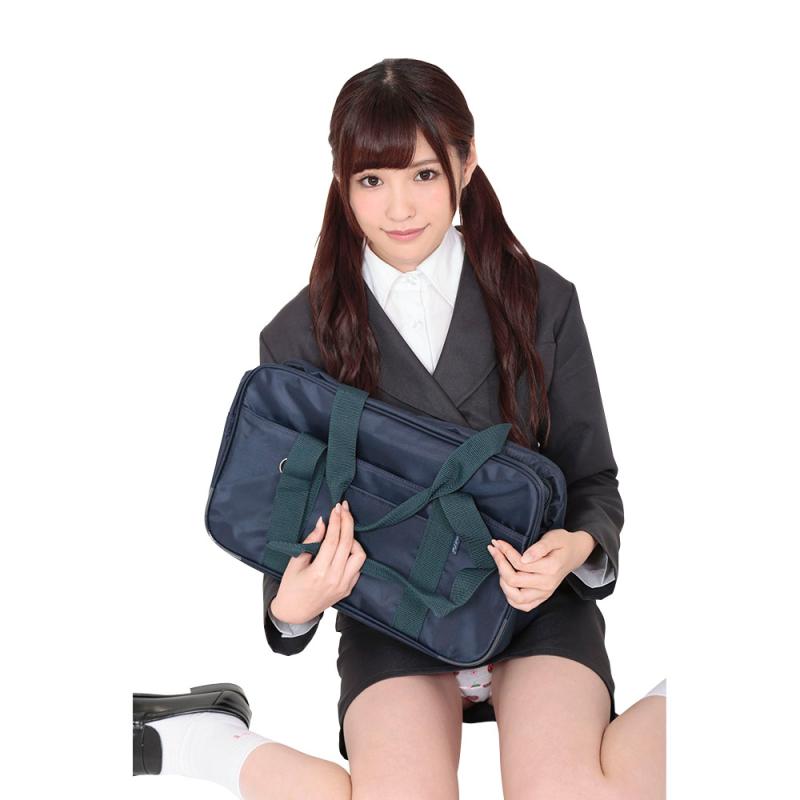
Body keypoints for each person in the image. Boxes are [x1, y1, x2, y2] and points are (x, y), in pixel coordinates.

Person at [132, 57, 666, 799]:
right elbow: (290, 519)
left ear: (466, 162)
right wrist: (291, 608)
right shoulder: (298, 335)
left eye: (423, 173)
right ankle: (206, 739)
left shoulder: (543, 298)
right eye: (371, 180)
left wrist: (576, 547)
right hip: (391, 611)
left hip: (535, 604)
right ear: (341, 182)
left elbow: (592, 479)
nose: (400, 207)